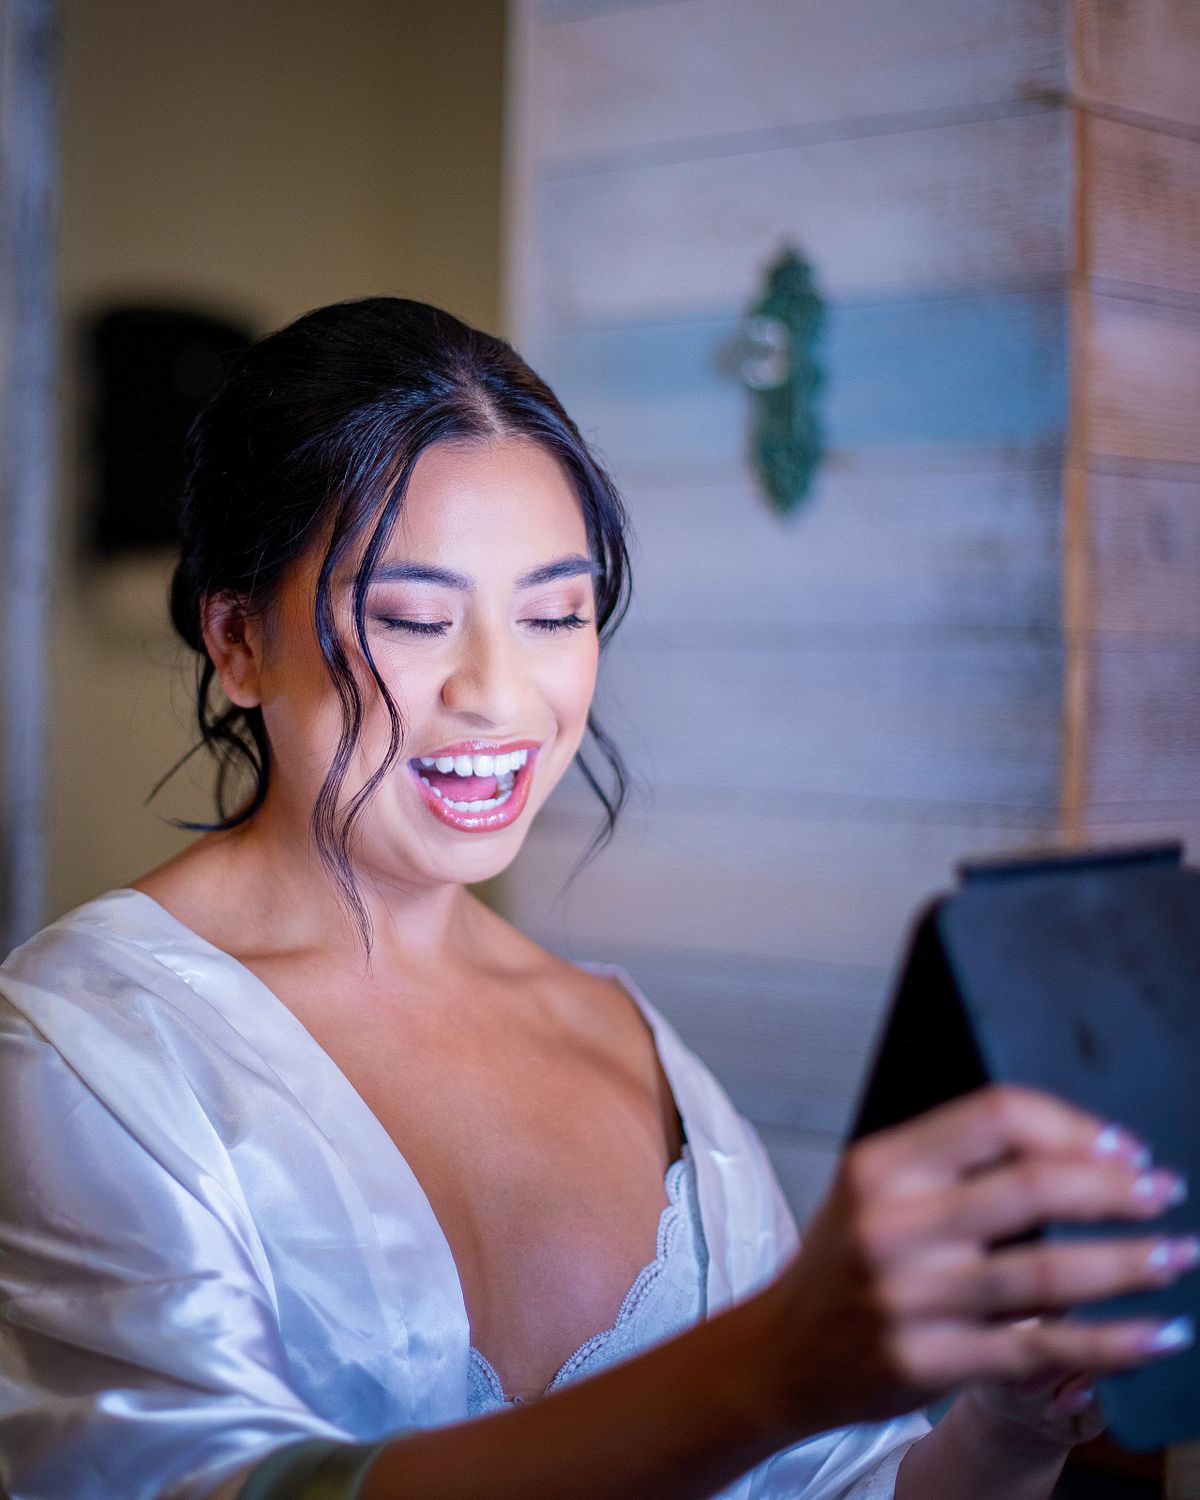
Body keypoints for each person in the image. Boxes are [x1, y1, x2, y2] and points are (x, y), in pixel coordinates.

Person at [0, 298, 1194, 1500]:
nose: (501, 695)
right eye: (413, 618)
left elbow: (824, 1482)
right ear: (239, 640)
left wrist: (1007, 1430)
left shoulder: (631, 1044)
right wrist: (771, 1366)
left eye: (555, 614)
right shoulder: (84, 1045)